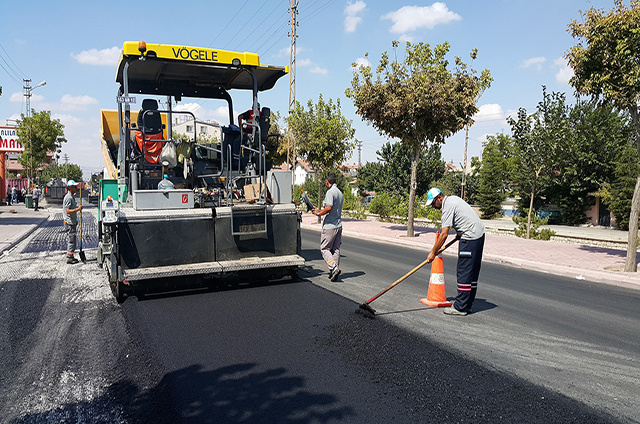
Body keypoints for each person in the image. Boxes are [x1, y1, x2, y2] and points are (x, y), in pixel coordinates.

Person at [426, 188, 485, 316]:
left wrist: (433, 252)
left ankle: (460, 307)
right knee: (472, 273)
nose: (432, 206)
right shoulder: (454, 199)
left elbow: (444, 234)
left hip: (469, 237)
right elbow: (464, 217)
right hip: (478, 235)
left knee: (464, 271)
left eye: (432, 203)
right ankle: (467, 304)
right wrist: (459, 234)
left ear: (439, 198)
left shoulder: (447, 207)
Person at [313, 172, 344, 282]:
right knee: (335, 249)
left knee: (324, 248)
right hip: (338, 225)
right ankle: (334, 271)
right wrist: (319, 211)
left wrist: (318, 213)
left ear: (327, 182)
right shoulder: (339, 193)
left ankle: (334, 268)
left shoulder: (330, 192)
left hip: (330, 226)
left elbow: (329, 207)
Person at [63, 180, 83, 264]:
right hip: (69, 222)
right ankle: (70, 257)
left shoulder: (72, 196)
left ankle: (71, 255)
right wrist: (78, 209)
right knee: (71, 239)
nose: (77, 188)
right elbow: (67, 211)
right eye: (75, 187)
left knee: (73, 239)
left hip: (72, 221)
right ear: (70, 188)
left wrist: (75, 220)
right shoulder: (69, 198)